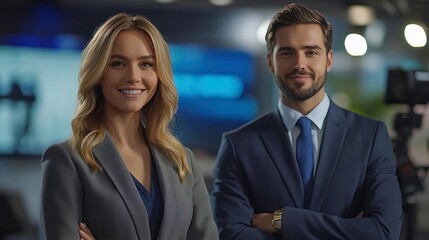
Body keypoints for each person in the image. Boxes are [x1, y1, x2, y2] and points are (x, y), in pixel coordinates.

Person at [211, 3, 403, 240]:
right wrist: (348, 229)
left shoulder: (370, 137)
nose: (299, 63)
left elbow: (383, 232)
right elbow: (232, 235)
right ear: (270, 62)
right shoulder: (239, 144)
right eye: (287, 52)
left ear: (329, 60)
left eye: (311, 52)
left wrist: (284, 221)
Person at [40, 12, 218, 240]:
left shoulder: (183, 161)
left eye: (146, 64)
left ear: (159, 74)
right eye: (118, 64)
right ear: (98, 72)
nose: (133, 76)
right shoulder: (66, 160)